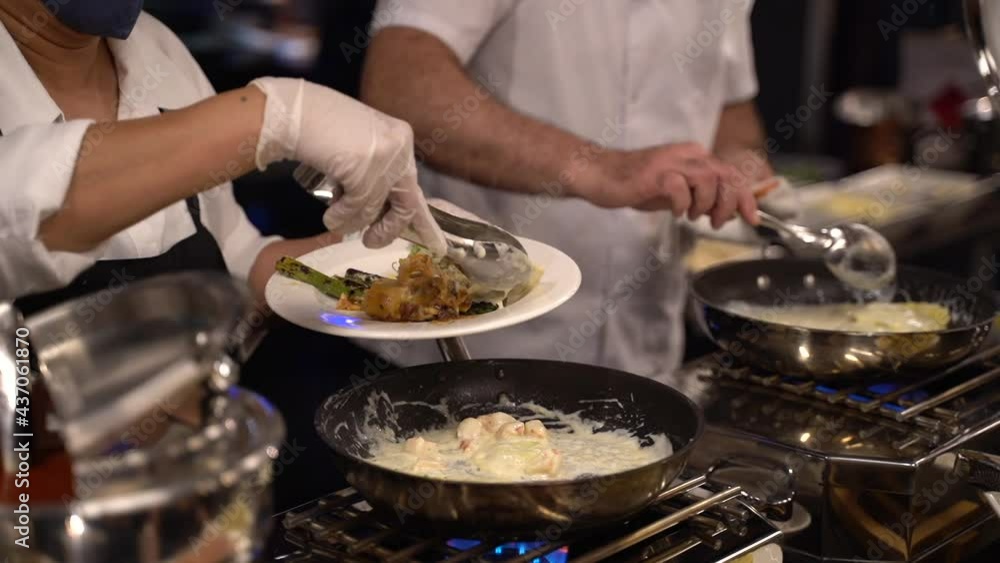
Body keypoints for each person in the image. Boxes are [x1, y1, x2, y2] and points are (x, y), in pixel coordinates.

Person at [359, 0, 774, 380]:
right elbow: (401, 84)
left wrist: (739, 171)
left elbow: (731, 112)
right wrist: (605, 169)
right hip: (464, 350)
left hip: (647, 349)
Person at [0, 0, 445, 315]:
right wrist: (271, 117)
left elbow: (238, 263)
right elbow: (19, 210)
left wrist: (369, 258)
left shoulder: (158, 52)